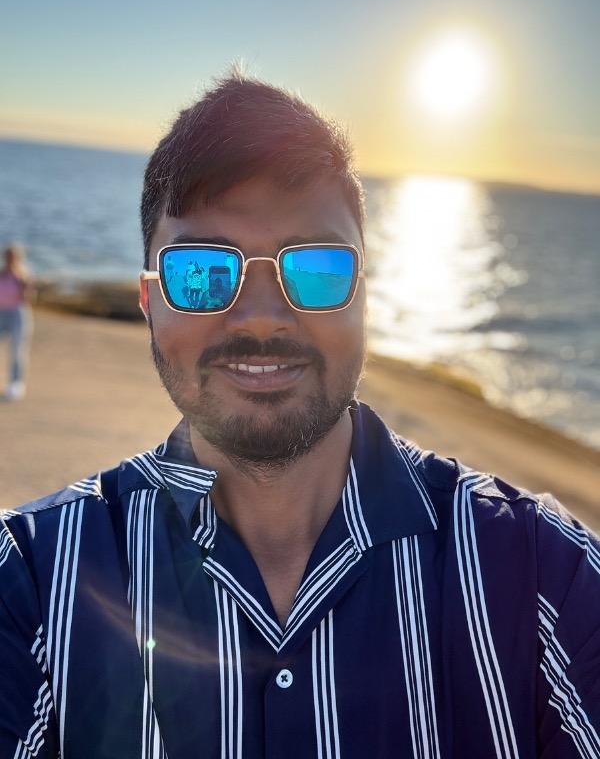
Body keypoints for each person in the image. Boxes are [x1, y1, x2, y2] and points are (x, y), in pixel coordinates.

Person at [0, 74, 598, 759]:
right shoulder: (32, 578)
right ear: (149, 302)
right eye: (203, 272)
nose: (261, 318)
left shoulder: (543, 572)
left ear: (364, 296)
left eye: (316, 269)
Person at [0, 243, 33, 400]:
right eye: (7, 257)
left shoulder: (23, 275)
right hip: (1, 313)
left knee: (17, 350)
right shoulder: (1, 274)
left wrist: (24, 283)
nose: (9, 260)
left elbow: (28, 298)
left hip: (17, 314)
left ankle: (15, 383)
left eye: (12, 257)